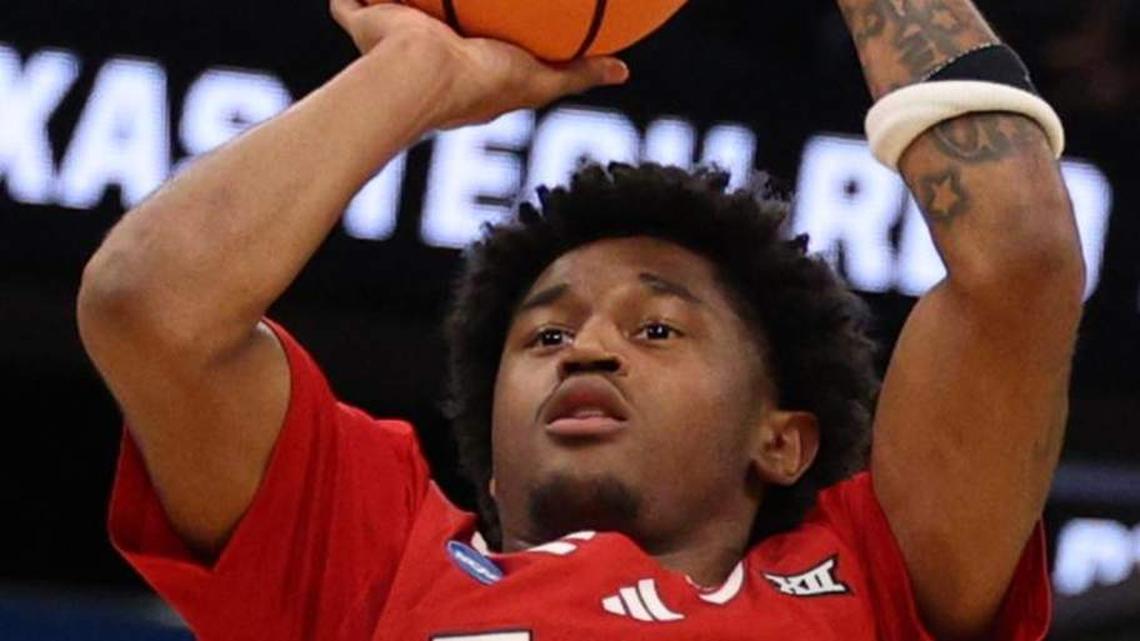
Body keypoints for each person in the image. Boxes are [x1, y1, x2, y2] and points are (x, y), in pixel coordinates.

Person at [77, 0, 1084, 639]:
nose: (588, 346)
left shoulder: (873, 570)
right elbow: (152, 306)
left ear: (780, 438)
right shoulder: (375, 556)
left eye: (658, 329)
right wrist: (415, 71)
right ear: (495, 466)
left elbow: (1021, 261)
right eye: (545, 335)